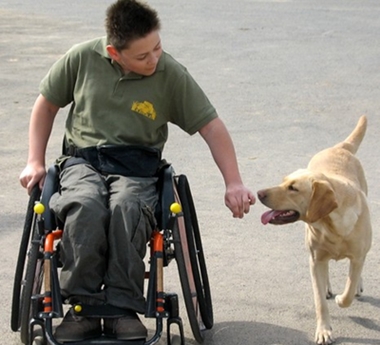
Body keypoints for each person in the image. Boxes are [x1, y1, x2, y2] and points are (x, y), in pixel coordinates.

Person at [19, 0, 256, 342]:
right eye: (143, 56)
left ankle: (121, 307)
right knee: (84, 206)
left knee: (126, 208)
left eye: (157, 48)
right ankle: (82, 307)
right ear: (114, 52)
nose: (154, 59)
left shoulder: (169, 73)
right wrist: (34, 160)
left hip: (138, 167)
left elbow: (211, 126)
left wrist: (233, 182)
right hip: (83, 161)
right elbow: (47, 103)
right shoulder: (82, 58)